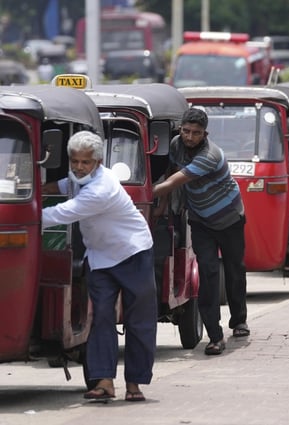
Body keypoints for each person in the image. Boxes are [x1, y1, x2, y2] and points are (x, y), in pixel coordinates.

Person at [42, 131, 157, 402]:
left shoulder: (101, 188)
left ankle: (134, 384)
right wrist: (30, 192)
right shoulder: (78, 177)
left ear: (98, 162)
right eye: (75, 161)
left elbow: (64, 212)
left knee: (138, 321)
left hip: (133, 252)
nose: (79, 167)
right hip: (101, 258)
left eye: (86, 162)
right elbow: (61, 186)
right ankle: (104, 381)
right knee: (101, 317)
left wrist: (24, 214)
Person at [152, 107, 249, 356]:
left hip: (229, 218)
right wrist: (162, 205)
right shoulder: (176, 144)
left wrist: (140, 195)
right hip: (200, 219)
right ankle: (215, 337)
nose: (189, 137)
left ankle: (238, 320)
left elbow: (176, 181)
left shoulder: (210, 155)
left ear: (205, 134)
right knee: (207, 274)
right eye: (186, 131)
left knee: (234, 269)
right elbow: (171, 170)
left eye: (196, 133)